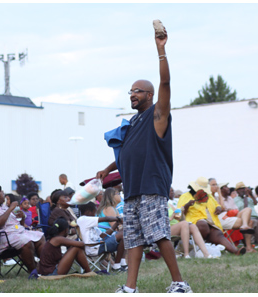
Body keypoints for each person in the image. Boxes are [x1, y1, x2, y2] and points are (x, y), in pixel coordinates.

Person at [96, 23, 191, 293]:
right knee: (134, 239)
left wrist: (161, 51)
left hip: (151, 186)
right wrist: (107, 168)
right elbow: (126, 152)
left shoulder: (157, 115)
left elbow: (166, 83)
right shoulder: (134, 123)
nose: (132, 94)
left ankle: (180, 284)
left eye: (137, 91)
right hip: (132, 189)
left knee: (159, 234)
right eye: (130, 91)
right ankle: (130, 288)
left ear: (150, 95)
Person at [0, 183, 45, 274]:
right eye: (1, 192)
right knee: (25, 241)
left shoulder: (1, 206)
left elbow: (15, 224)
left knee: (40, 236)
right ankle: (33, 270)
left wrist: (22, 218)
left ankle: (45, 267)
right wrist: (10, 209)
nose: (4, 194)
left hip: (14, 234)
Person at [177, 177, 246, 256]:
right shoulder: (185, 196)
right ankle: (202, 247)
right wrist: (187, 205)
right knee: (203, 225)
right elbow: (179, 213)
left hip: (209, 222)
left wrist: (218, 208)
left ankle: (235, 251)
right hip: (192, 222)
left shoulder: (208, 196)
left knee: (218, 233)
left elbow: (217, 205)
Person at [77, 202, 127, 272]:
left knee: (124, 233)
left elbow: (103, 236)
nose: (95, 214)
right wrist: (118, 218)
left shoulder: (90, 223)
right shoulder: (83, 219)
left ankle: (120, 264)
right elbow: (106, 218)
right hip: (94, 247)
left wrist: (116, 224)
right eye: (94, 212)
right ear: (88, 211)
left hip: (100, 244)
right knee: (122, 234)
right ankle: (117, 266)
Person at [216, 182, 257, 253]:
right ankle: (249, 247)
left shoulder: (230, 198)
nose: (228, 188)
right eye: (225, 187)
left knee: (248, 209)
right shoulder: (217, 198)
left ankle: (244, 225)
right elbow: (221, 209)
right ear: (220, 190)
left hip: (234, 216)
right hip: (225, 218)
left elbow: (237, 210)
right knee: (250, 222)